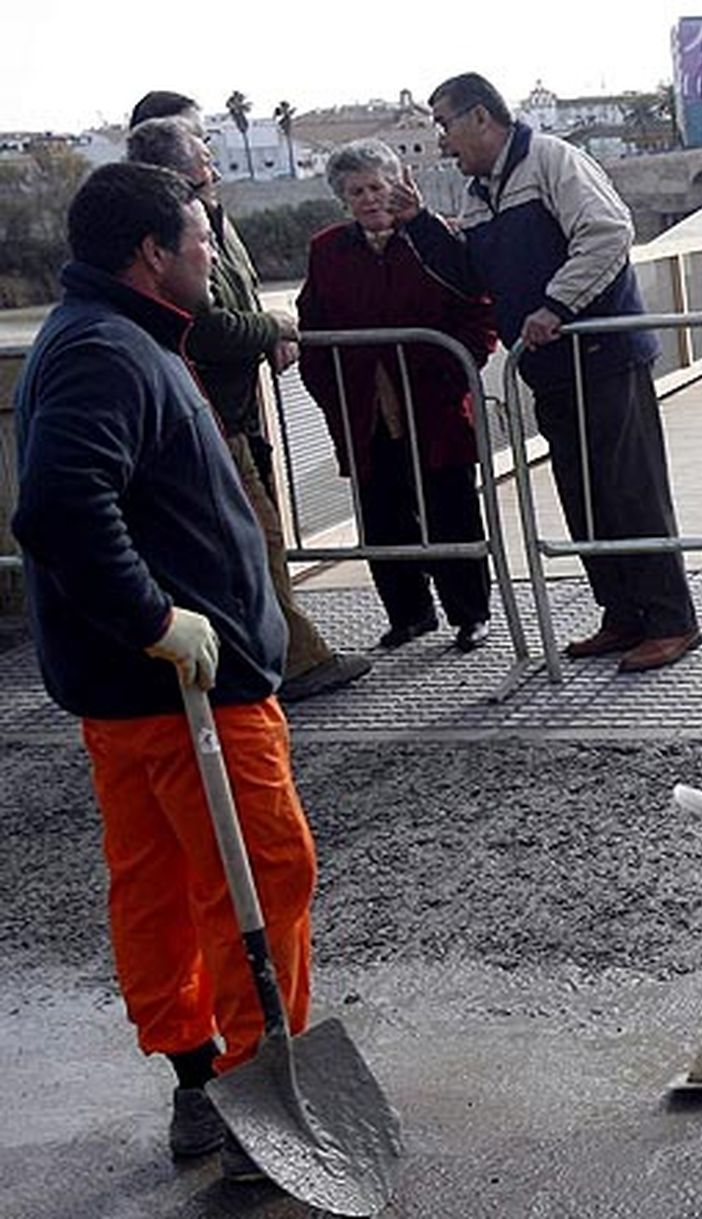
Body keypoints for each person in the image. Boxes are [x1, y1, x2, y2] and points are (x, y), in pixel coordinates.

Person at [11, 162, 318, 1182]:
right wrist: (155, 619)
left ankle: (198, 1081)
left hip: (130, 694)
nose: (210, 258)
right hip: (183, 691)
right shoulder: (107, 351)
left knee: (158, 886)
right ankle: (253, 1092)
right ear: (151, 253)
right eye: (196, 241)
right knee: (260, 877)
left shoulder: (106, 336)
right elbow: (59, 505)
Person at [389, 72, 702, 673]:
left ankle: (671, 621)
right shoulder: (480, 191)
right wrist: (421, 225)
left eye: (446, 124)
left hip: (604, 357)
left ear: (482, 117)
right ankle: (622, 614)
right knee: (584, 496)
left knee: (630, 492)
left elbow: (609, 233)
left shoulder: (554, 161)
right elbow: (473, 277)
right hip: (550, 368)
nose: (442, 142)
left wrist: (556, 306)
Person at [125, 100, 370, 702]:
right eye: (203, 145)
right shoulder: (169, 233)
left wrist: (266, 330)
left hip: (230, 410)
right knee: (250, 543)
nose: (212, 154)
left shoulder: (207, 218)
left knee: (254, 541)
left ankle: (279, 657)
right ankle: (287, 662)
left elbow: (231, 300)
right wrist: (273, 328)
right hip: (212, 415)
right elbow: (208, 325)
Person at [297, 139, 498, 652]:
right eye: (356, 191)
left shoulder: (433, 239)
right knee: (383, 517)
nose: (368, 199)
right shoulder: (327, 249)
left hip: (434, 403)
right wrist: (330, 394)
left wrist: (459, 369)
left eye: (376, 187)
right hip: (365, 409)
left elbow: (477, 304)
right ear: (343, 199)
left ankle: (470, 612)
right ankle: (410, 614)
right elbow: (313, 325)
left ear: (398, 185)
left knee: (450, 508)